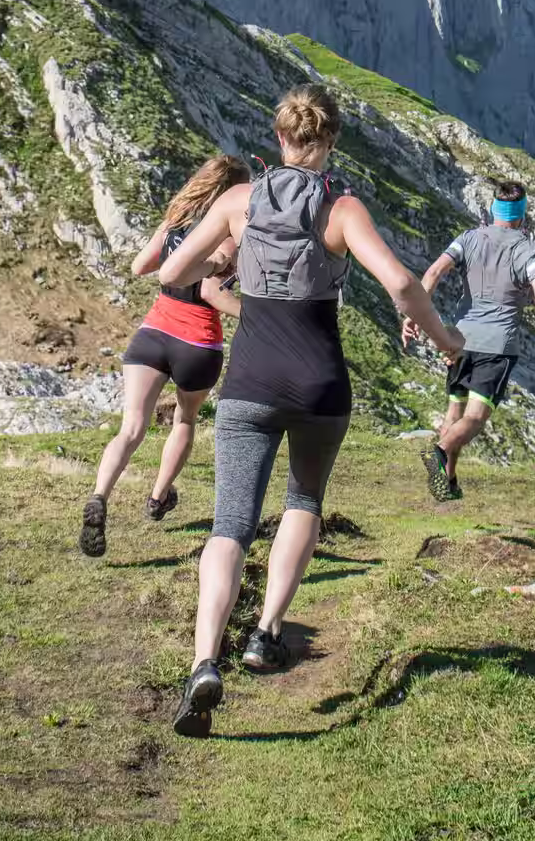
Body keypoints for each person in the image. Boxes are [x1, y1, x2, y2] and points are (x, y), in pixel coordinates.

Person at [156, 85, 463, 737]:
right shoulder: (341, 208)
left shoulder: (239, 202)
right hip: (321, 385)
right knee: (303, 502)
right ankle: (265, 633)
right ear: (330, 142)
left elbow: (172, 271)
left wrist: (225, 253)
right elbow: (403, 284)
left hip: (250, 381)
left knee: (229, 527)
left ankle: (204, 660)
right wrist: (448, 343)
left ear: (279, 137)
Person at [78, 155, 249, 558]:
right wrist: (259, 316)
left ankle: (100, 494)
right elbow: (210, 292)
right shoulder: (226, 232)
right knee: (185, 420)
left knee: (131, 428)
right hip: (199, 342)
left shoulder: (176, 218)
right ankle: (158, 498)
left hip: (153, 334)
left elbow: (141, 266)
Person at [410, 179, 535, 501]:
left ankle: (447, 483)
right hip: (497, 344)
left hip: (460, 338)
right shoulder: (526, 248)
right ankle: (440, 452)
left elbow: (432, 274)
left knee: (454, 411)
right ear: (522, 214)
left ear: (493, 209)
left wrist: (416, 313)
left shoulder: (468, 238)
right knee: (474, 417)